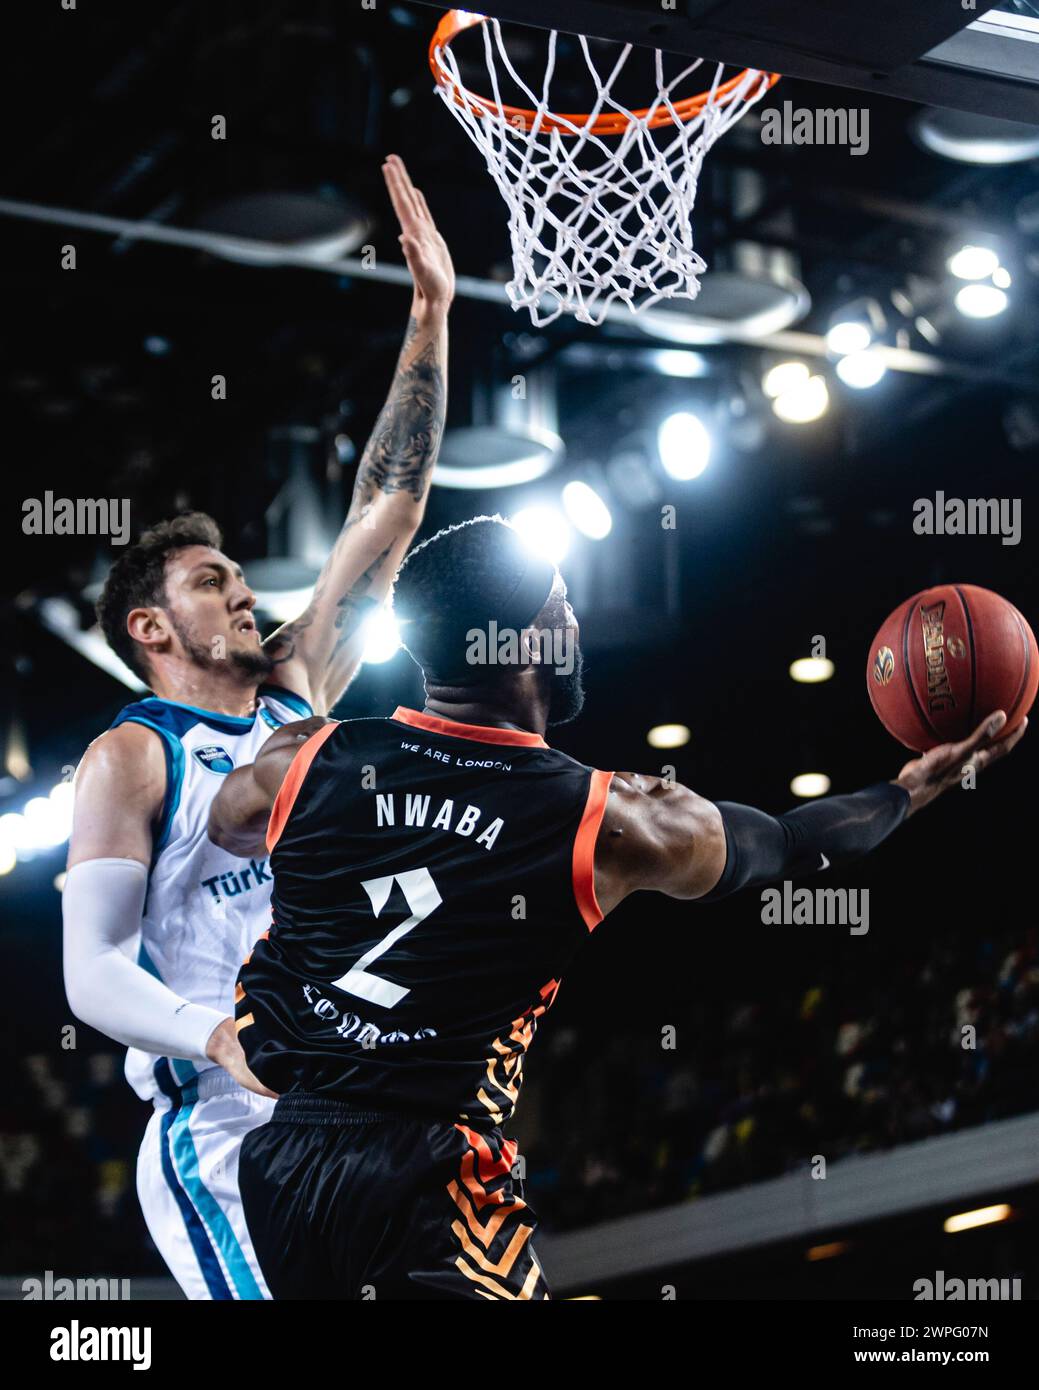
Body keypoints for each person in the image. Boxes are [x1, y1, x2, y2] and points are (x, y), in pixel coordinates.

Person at [208, 514, 1026, 1300]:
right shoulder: (605, 817)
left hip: (285, 1167)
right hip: (425, 1170)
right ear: (527, 642)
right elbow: (786, 841)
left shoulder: (302, 758)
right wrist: (908, 790)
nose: (575, 624)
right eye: (562, 606)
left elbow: (225, 826)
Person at [61, 156, 455, 1300]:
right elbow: (89, 973)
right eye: (212, 579)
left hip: (357, 1105)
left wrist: (429, 313)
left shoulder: (298, 692)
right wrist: (214, 1034)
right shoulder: (131, 756)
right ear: (150, 624)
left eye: (239, 573)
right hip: (227, 1124)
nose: (243, 590)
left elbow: (390, 510)